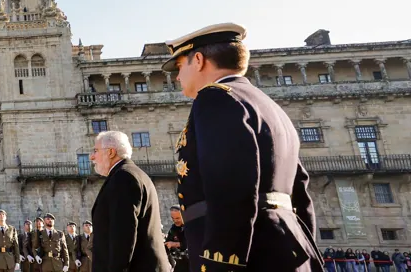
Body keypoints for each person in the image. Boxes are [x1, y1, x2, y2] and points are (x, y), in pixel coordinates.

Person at [165, 23, 323, 271]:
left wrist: (220, 264)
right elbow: (300, 192)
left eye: (179, 66)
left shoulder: (215, 98)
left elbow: (231, 187)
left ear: (198, 60)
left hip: (246, 256)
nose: (176, 76)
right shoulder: (268, 105)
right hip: (284, 249)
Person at [89, 130, 171, 271]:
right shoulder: (133, 174)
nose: (91, 157)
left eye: (95, 151)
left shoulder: (123, 178)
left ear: (110, 152)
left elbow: (123, 234)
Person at [164, 207, 187, 272]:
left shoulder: (190, 228)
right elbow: (168, 242)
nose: (175, 221)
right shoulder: (173, 229)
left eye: (177, 218)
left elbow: (191, 244)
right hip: (179, 264)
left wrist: (174, 244)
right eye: (173, 218)